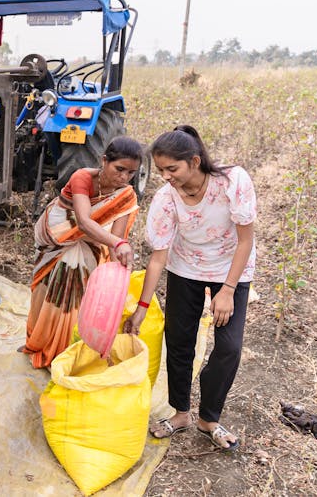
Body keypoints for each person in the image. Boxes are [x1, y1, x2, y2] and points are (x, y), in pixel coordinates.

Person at [123, 125, 256, 452]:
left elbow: (246, 240)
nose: (166, 176)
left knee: (229, 348)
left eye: (173, 169)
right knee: (179, 342)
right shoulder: (167, 199)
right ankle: (181, 413)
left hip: (231, 268)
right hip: (186, 269)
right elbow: (157, 259)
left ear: (194, 161)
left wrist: (227, 289)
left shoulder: (232, 182)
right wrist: (142, 307)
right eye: (161, 169)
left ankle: (208, 419)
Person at [21, 135, 142, 368]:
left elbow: (116, 241)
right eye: (119, 169)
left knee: (76, 295)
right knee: (45, 289)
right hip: (56, 237)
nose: (124, 177)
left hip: (90, 246)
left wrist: (117, 279)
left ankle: (63, 351)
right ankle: (38, 341)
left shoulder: (125, 196)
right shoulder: (82, 177)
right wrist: (117, 244)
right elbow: (84, 222)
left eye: (131, 173)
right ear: (104, 160)